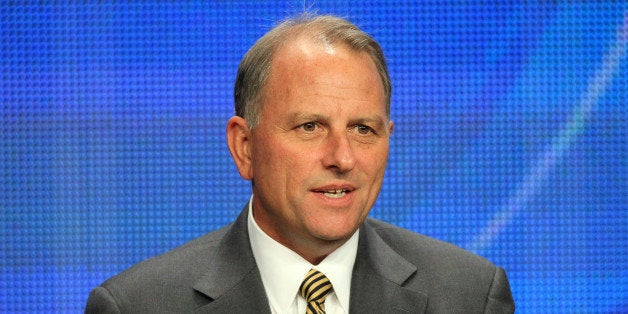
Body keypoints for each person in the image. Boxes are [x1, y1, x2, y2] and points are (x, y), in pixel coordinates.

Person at [85, 14, 515, 313]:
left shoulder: (470, 296)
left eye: (363, 129)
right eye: (310, 126)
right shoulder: (138, 305)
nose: (342, 158)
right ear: (244, 147)